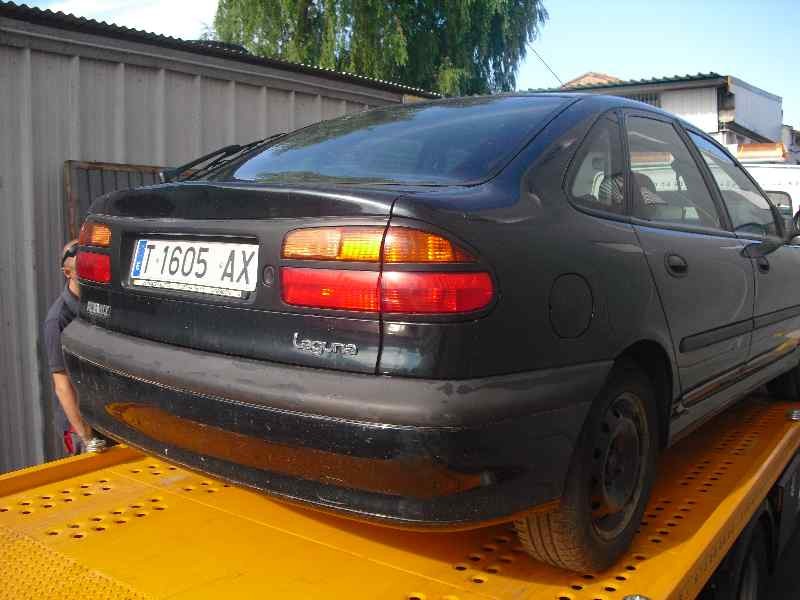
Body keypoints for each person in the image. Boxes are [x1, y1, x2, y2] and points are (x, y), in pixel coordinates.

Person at [42, 240, 105, 454]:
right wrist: (86, 438)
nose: (91, 275)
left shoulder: (100, 305)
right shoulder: (58, 320)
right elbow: (62, 386)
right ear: (67, 273)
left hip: (105, 417)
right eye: (84, 270)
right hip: (81, 427)